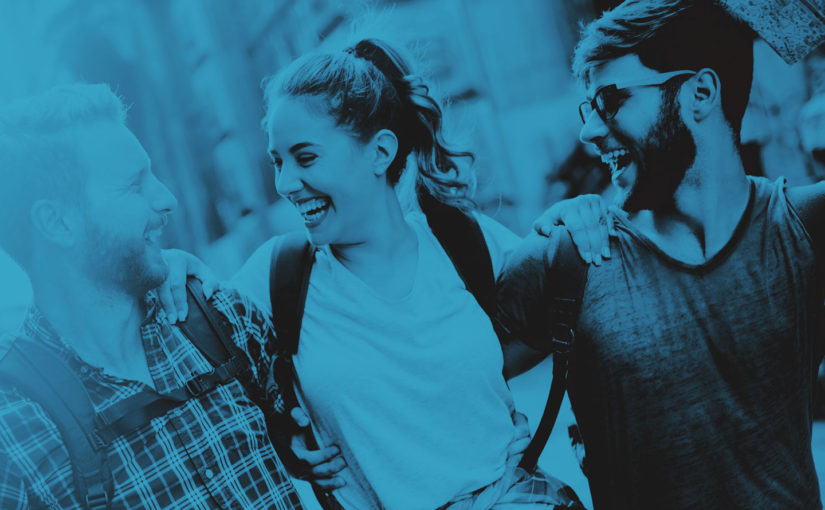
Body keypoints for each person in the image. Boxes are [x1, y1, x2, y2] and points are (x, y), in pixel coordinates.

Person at [160, 38, 610, 509]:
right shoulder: (277, 277)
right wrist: (174, 266)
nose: (286, 184)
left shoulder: (465, 242)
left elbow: (556, 322)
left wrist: (576, 217)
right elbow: (216, 364)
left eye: (306, 157)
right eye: (278, 161)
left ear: (380, 152)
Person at [496, 1, 825, 508]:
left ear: (701, 93)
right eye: (589, 108)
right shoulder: (567, 258)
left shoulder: (806, 227)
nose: (589, 131)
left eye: (611, 99)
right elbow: (441, 378)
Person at [0, 84, 305, 509]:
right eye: (133, 186)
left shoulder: (225, 319)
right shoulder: (13, 430)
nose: (167, 199)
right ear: (57, 222)